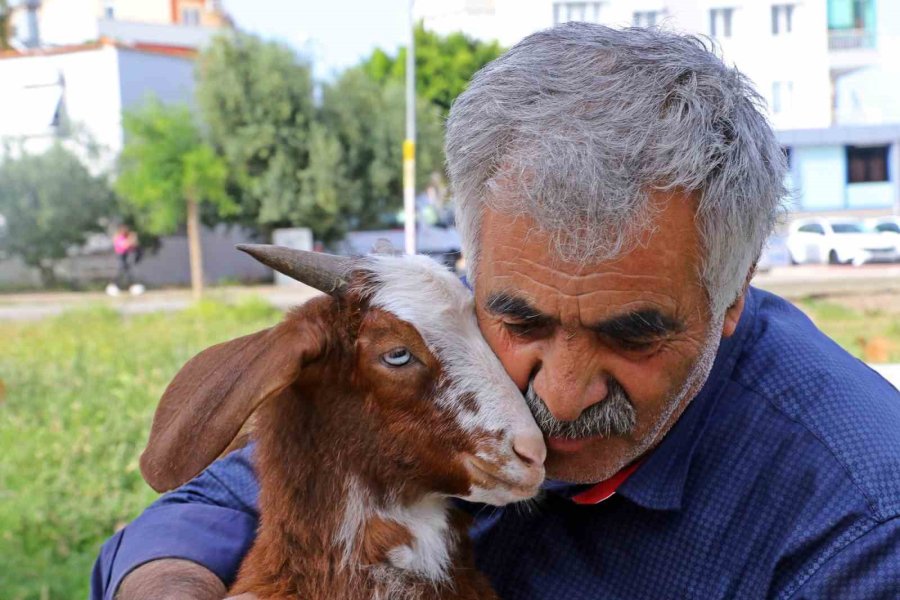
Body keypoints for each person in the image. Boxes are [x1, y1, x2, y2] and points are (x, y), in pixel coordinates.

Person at [92, 24, 900, 599]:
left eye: (634, 333)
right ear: (474, 270)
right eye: (523, 321)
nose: (558, 396)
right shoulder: (445, 367)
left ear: (732, 294)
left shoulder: (860, 522)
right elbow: (217, 499)